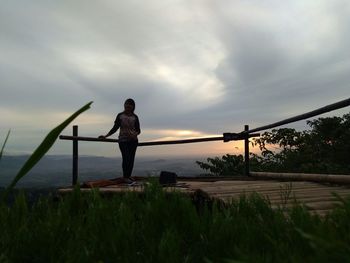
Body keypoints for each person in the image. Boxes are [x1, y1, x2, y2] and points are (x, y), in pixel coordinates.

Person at [99, 98, 141, 183]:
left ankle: (128, 176)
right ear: (124, 105)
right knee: (126, 158)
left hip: (133, 141)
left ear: (133, 107)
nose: (127, 106)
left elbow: (138, 130)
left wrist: (134, 134)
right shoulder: (120, 116)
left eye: (129, 104)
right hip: (123, 140)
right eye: (126, 104)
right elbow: (115, 128)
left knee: (131, 159)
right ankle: (125, 177)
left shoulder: (135, 117)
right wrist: (106, 136)